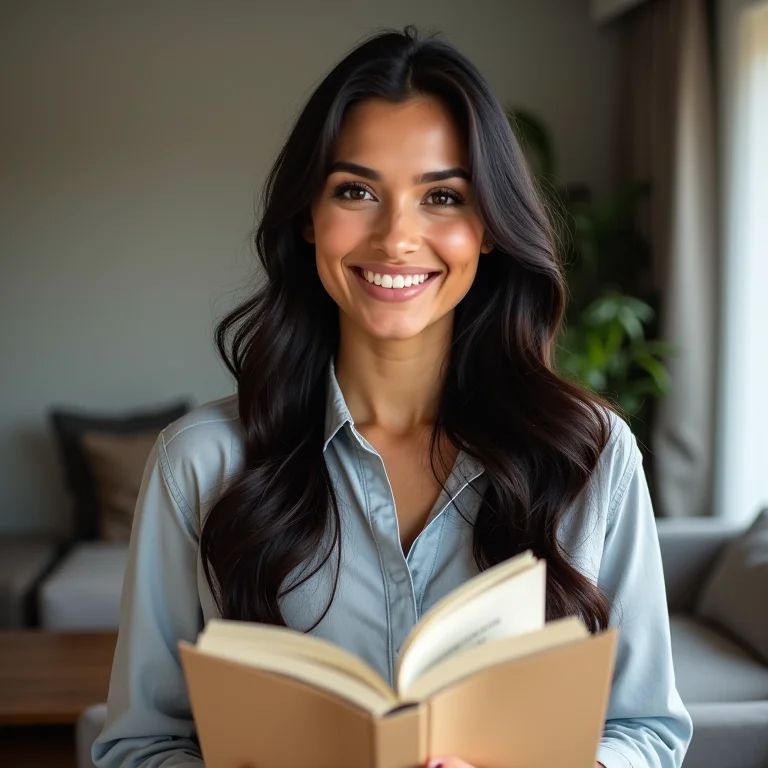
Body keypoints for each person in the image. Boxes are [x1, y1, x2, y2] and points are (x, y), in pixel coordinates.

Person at [93, 26, 692, 768]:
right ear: (309, 218)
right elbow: (139, 746)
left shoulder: (591, 456)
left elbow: (647, 731)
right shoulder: (199, 464)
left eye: (442, 196)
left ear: (488, 228)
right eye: (356, 191)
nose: (397, 237)